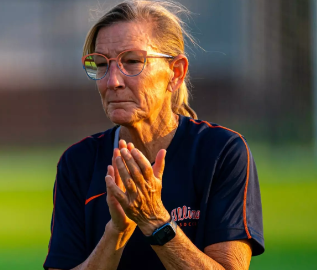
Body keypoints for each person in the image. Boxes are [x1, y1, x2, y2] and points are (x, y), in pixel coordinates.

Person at [43, 1, 264, 269]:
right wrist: (115, 233)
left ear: (176, 72)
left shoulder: (221, 152)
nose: (112, 81)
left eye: (133, 61)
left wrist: (154, 219)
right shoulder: (78, 163)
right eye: (101, 64)